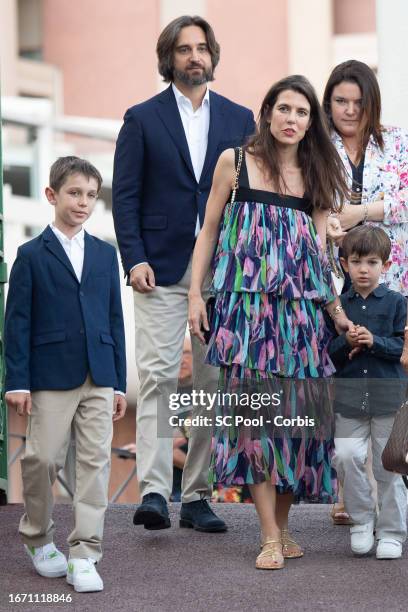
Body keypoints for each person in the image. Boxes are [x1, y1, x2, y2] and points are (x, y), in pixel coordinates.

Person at [188, 75, 351, 570]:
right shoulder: (234, 163)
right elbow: (210, 230)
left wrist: (338, 315)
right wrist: (196, 295)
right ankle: (268, 536)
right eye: (284, 109)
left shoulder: (318, 174)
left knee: (296, 428)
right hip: (244, 316)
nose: (292, 119)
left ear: (310, 123)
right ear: (267, 112)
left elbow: (321, 258)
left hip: (301, 321)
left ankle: (282, 526)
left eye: (302, 113)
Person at [112, 15, 255, 532]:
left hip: (221, 276)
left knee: (211, 387)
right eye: (184, 49)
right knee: (155, 380)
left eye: (202, 48)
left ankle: (195, 496)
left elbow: (252, 200)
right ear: (168, 58)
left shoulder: (241, 120)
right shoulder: (141, 119)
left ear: (213, 55)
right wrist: (135, 259)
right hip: (160, 269)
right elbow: (124, 197)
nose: (195, 57)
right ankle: (153, 491)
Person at [4, 157, 127, 593]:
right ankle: (37, 537)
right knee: (42, 458)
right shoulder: (30, 255)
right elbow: (16, 322)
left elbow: (114, 319)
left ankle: (85, 553)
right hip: (50, 373)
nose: (84, 202)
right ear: (52, 195)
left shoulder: (104, 253)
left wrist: (118, 382)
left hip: (100, 372)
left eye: (92, 195)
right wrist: (16, 381)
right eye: (75, 193)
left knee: (95, 463)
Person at [322, 59, 408, 523]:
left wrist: (359, 213)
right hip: (337, 280)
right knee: (348, 372)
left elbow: (404, 199)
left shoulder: (396, 141)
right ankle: (352, 495)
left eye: (358, 101)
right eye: (340, 101)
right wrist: (331, 221)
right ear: (328, 101)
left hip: (396, 280)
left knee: (398, 374)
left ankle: (394, 483)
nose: (350, 110)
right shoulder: (317, 146)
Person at [328, 225, 408, 559]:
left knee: (388, 465)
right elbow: (328, 352)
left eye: (372, 262)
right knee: (345, 456)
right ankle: (362, 521)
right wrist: (344, 342)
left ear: (385, 266)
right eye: (357, 261)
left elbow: (400, 349)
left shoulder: (396, 302)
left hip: (388, 396)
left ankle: (391, 531)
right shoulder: (337, 307)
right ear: (345, 264)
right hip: (349, 397)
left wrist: (374, 342)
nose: (364, 269)